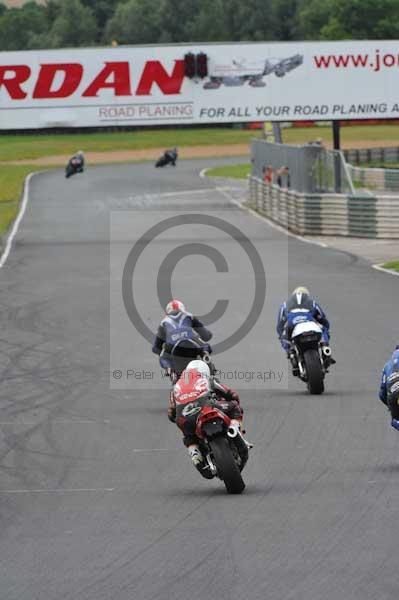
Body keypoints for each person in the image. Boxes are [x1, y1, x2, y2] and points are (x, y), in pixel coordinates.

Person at [170, 360, 243, 478]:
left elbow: (171, 414)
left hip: (184, 417)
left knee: (189, 437)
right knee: (234, 406)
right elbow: (231, 394)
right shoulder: (207, 379)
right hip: (206, 408)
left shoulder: (175, 388)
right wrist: (232, 400)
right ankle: (234, 429)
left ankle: (195, 455)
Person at [276, 286, 335, 371]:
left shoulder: (284, 305)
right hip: (309, 323)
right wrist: (326, 329)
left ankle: (291, 353)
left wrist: (282, 338)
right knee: (324, 329)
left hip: (292, 325)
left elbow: (279, 326)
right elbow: (323, 319)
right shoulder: (313, 303)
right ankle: (325, 348)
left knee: (284, 337)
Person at [152, 300, 212, 374]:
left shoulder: (163, 322)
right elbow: (206, 336)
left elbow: (155, 348)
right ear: (183, 309)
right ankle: (210, 370)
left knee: (162, 358)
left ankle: (170, 370)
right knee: (205, 346)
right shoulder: (189, 316)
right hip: (192, 344)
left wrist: (165, 345)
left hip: (173, 349)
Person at [379, 346, 399, 431]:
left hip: (393, 396)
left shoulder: (387, 365)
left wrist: (390, 406)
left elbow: (382, 393)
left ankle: (395, 422)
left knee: (395, 420)